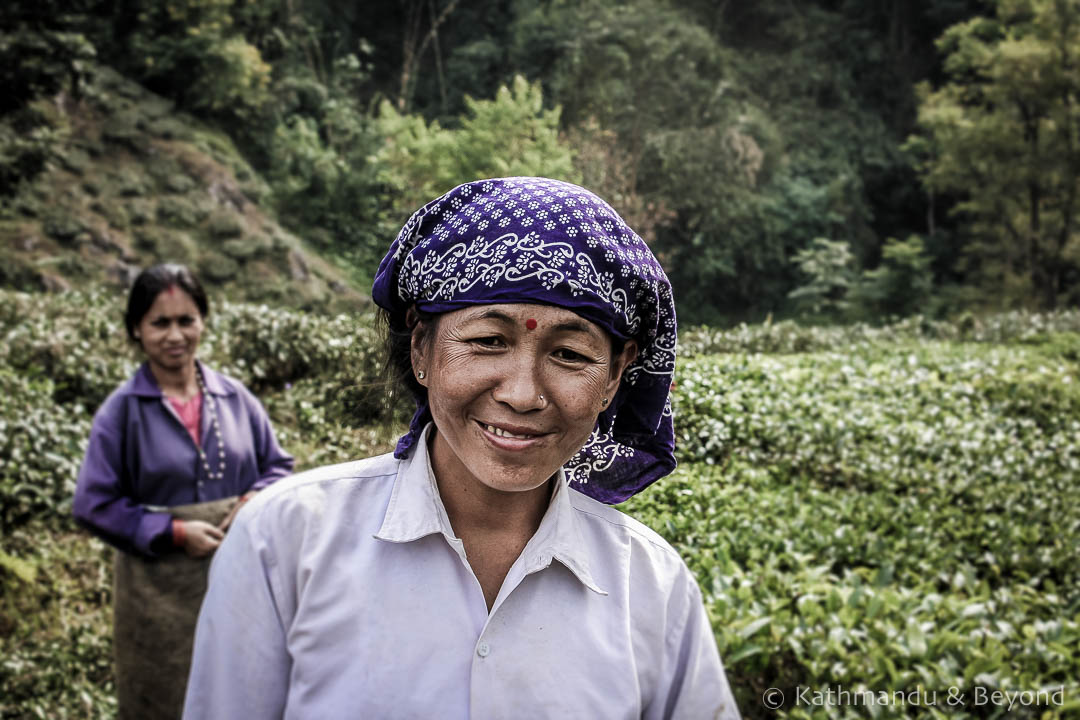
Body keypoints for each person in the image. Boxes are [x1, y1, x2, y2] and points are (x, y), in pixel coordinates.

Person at [183, 177, 740, 719]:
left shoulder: (653, 587)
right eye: (487, 342)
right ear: (422, 347)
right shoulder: (284, 542)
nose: (523, 394)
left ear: (616, 375)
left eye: (570, 354)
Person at [72, 263, 294, 720]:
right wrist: (172, 532)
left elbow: (277, 467)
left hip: (236, 576)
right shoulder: (122, 412)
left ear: (203, 322)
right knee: (165, 691)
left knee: (241, 689)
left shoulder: (235, 398)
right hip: (158, 590)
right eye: (160, 323)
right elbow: (94, 503)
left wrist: (252, 501)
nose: (175, 335)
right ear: (137, 329)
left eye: (186, 320)